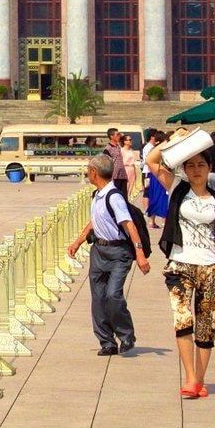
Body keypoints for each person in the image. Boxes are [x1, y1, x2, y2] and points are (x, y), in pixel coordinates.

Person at [159, 144, 215, 397]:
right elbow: (151, 160)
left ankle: (199, 380)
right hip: (180, 264)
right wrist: (174, 141)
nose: (196, 170)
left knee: (206, 326)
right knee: (182, 319)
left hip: (210, 267)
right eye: (190, 165)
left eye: (201, 164)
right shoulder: (176, 190)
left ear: (209, 168)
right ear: (184, 169)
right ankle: (190, 376)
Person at [65, 151, 150, 355]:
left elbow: (129, 225)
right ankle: (107, 342)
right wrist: (78, 242)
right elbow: (95, 222)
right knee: (98, 298)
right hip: (99, 251)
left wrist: (140, 254)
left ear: (94, 173)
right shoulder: (98, 195)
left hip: (119, 252)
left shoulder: (114, 197)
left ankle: (126, 334)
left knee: (113, 295)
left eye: (88, 171)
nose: (87, 174)